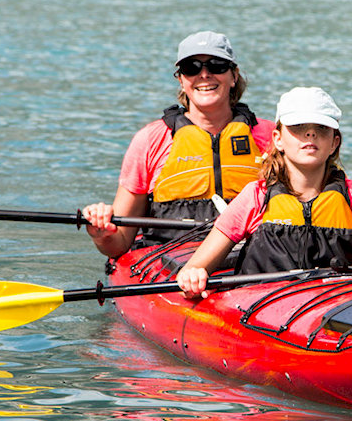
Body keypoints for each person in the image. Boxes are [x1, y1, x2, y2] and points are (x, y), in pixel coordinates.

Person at [176, 86, 352, 298]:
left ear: (334, 143)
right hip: (264, 307)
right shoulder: (256, 197)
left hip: (340, 304)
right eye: (298, 127)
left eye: (321, 128)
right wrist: (193, 277)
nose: (310, 134)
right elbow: (196, 266)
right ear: (278, 139)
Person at [83, 31, 275, 257]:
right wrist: (101, 234)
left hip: (253, 263)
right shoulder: (151, 140)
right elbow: (120, 244)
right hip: (169, 265)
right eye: (192, 68)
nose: (204, 74)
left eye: (216, 65)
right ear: (181, 80)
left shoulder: (272, 137)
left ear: (234, 76)